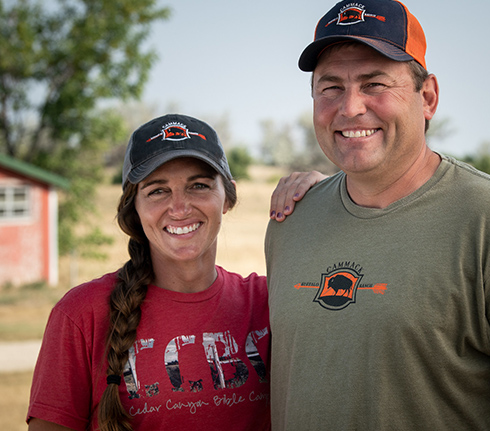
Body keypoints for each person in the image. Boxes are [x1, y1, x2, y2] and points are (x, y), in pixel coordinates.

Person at [265, 1, 490, 429]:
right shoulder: (291, 220)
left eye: (374, 84)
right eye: (330, 87)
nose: (349, 108)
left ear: (428, 97)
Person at [27, 114, 323, 431]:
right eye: (158, 190)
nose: (179, 208)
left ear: (228, 197)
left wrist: (329, 197)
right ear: (134, 207)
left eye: (198, 185)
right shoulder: (81, 314)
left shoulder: (269, 301)